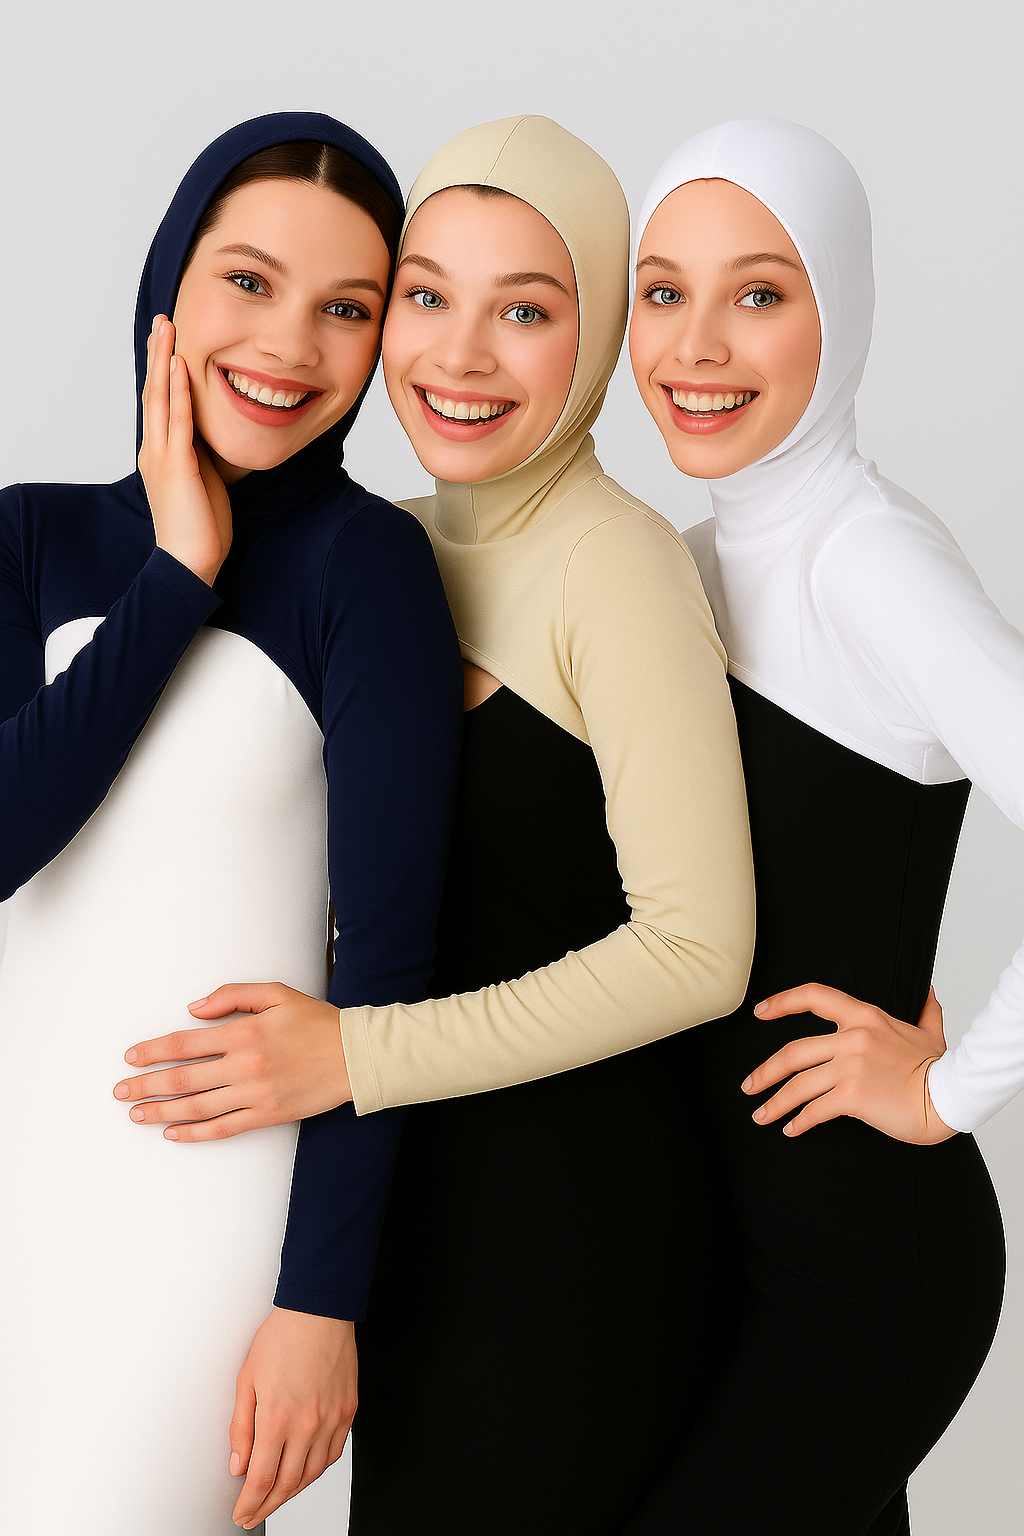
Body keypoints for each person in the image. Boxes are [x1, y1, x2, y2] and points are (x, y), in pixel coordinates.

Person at [116, 115, 756, 1535]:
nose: (459, 356)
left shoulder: (616, 564)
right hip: (415, 1222)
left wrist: (356, 1052)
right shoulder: (377, 547)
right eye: (424, 296)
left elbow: (700, 949)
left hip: (575, 1233)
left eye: (524, 311)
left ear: (596, 335)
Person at [0, 112, 462, 1534]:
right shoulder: (28, 537)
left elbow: (390, 966)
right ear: (169, 288)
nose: (288, 346)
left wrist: (321, 1303)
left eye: (347, 309)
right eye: (249, 283)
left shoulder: (367, 567)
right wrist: (178, 571)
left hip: (193, 1233)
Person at [624, 116, 1010, 1535]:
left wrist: (951, 1089)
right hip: (735, 1251)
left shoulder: (866, 558)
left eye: (759, 293)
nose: (697, 346)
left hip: (863, 1269)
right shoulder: (688, 561)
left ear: (838, 312)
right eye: (663, 292)